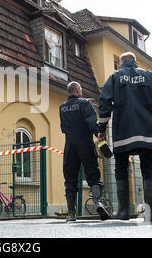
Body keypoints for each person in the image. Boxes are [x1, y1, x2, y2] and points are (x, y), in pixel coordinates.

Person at [97, 52, 152, 222]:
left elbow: (104, 102)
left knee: (120, 167)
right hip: (147, 131)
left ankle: (123, 211)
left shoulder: (115, 77)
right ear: (135, 62)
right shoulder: (150, 75)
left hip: (123, 131)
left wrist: (102, 129)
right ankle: (149, 213)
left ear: (121, 63)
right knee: (148, 167)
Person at [60, 81, 110, 223]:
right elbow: (92, 123)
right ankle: (98, 203)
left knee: (70, 178)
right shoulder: (85, 103)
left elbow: (63, 128)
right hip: (85, 144)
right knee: (93, 174)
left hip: (69, 145)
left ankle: (71, 214)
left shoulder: (61, 107)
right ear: (78, 89)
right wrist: (99, 135)